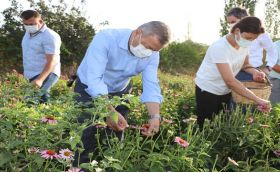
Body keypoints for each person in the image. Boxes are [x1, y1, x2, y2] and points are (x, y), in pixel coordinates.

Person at [72, 21, 170, 167]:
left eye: (153, 50)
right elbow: (95, 80)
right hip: (88, 88)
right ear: (137, 33)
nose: (148, 52)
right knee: (87, 133)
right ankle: (80, 167)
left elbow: (150, 85)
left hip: (120, 91)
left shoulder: (152, 54)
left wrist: (154, 117)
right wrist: (109, 112)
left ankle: (108, 166)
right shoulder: (106, 38)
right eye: (147, 47)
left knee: (115, 138)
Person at [195, 17, 271, 127]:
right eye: (248, 38)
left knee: (221, 124)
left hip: (225, 91)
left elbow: (245, 65)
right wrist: (257, 100)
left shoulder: (243, 45)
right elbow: (230, 81)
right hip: (208, 90)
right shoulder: (220, 47)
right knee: (206, 126)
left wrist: (254, 72)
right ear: (237, 31)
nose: (249, 42)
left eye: (253, 40)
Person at [21, 10, 61, 103]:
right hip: (31, 75)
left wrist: (40, 79)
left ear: (40, 21)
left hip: (47, 73)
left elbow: (52, 60)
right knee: (29, 102)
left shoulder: (50, 36)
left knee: (40, 99)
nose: (29, 27)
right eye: (26, 24)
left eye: (32, 24)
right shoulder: (27, 33)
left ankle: (49, 117)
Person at [226, 7, 277, 79]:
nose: (231, 25)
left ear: (244, 20)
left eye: (233, 22)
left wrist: (268, 67)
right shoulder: (232, 36)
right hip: (232, 72)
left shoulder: (260, 34)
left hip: (252, 73)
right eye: (229, 23)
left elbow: (273, 51)